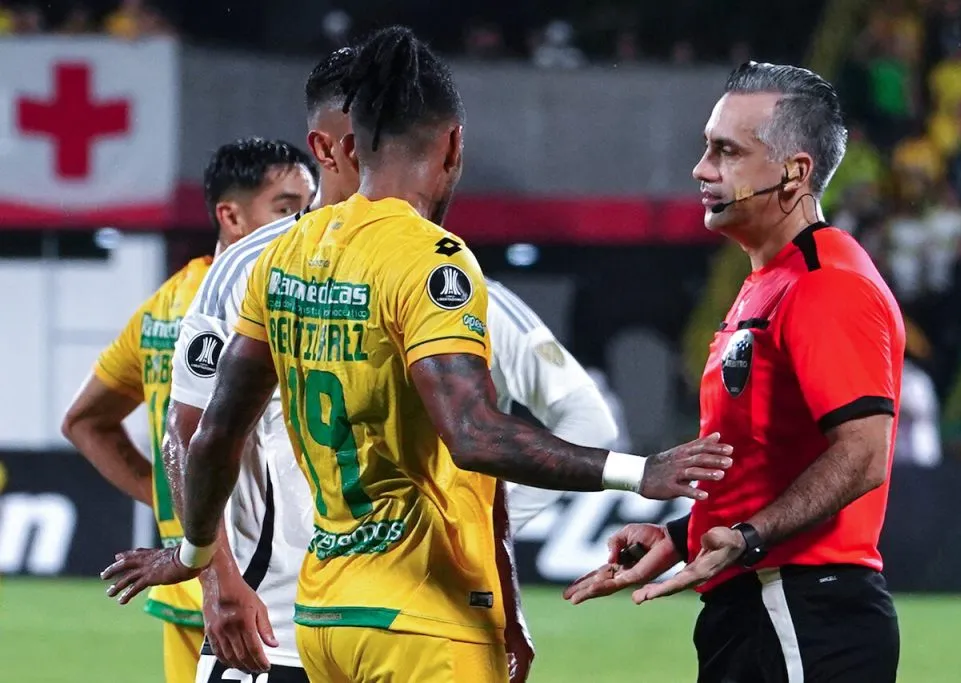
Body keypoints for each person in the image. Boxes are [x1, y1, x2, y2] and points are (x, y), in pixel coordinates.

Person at [100, 27, 733, 683]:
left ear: (354, 143)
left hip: (322, 616)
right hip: (422, 622)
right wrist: (639, 471)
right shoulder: (434, 263)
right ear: (454, 142)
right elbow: (474, 435)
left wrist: (197, 551)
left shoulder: (281, 256)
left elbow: (210, 435)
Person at [565, 62, 906, 683]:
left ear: (794, 173)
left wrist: (748, 537)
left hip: (801, 609)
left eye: (726, 151)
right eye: (706, 147)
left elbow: (864, 454)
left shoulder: (826, 284)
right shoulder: (769, 282)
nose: (701, 169)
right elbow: (769, 458)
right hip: (766, 607)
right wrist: (683, 534)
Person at [63, 138, 316, 683]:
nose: (305, 219)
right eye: (287, 206)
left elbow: (85, 420)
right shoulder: (242, 304)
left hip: (190, 573)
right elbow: (187, 434)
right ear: (230, 214)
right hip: (243, 583)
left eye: (309, 204)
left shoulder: (163, 305)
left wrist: (169, 497)